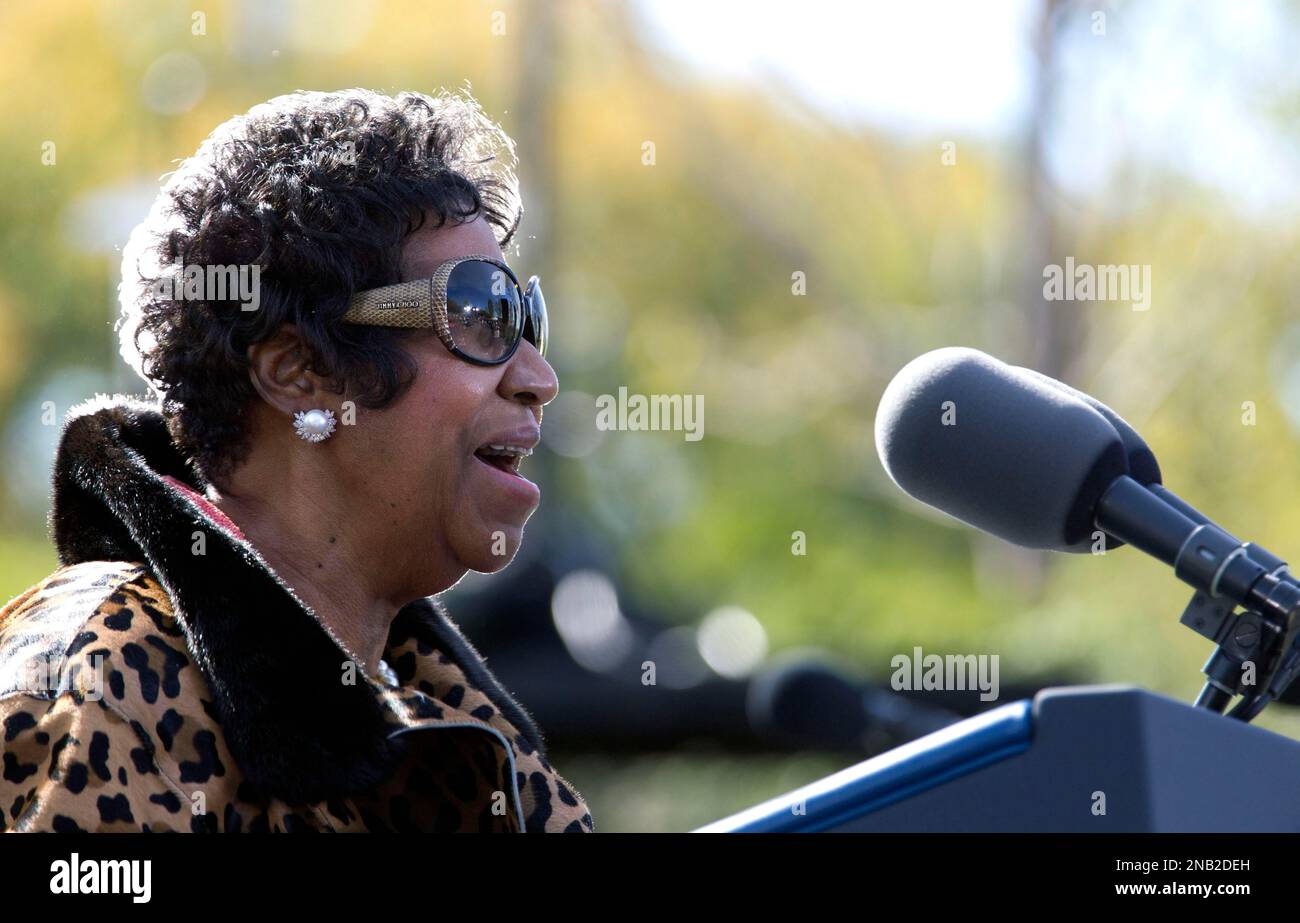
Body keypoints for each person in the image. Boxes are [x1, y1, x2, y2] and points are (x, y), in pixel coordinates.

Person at [0, 88, 593, 832]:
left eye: (525, 316)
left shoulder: (464, 736)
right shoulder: (99, 679)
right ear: (296, 370)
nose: (538, 377)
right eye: (478, 313)